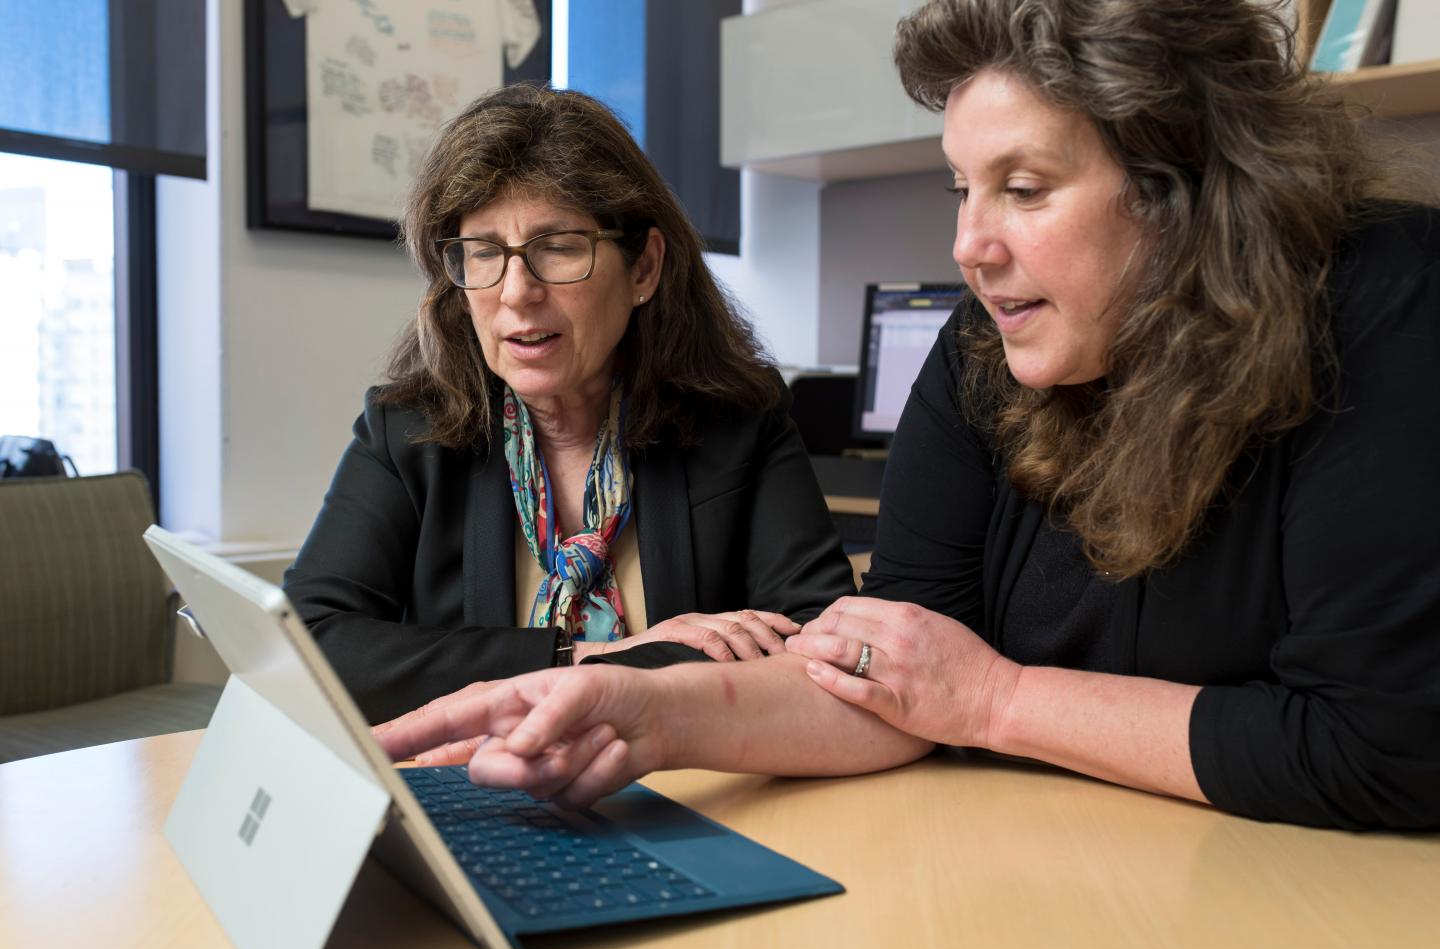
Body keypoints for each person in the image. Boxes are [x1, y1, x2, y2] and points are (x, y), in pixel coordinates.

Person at [373, 0, 1440, 831]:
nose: (970, 246)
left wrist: (1000, 703)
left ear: (1187, 189)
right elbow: (888, 682)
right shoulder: (982, 354)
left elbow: (1382, 748)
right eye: (960, 192)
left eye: (1023, 188)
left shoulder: (1381, 305)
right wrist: (648, 714)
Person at [284, 84, 855, 726]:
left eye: (558, 248)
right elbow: (306, 647)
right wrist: (577, 659)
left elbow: (823, 646)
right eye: (484, 254)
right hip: (478, 789)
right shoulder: (405, 433)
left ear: (643, 269)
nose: (516, 293)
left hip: (694, 791)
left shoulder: (740, 422)